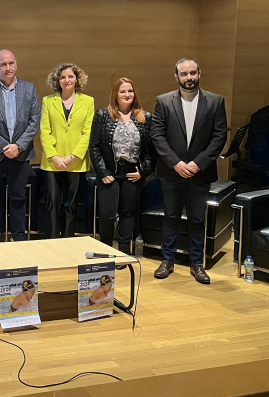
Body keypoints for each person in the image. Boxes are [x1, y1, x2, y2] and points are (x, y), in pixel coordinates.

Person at [151, 58, 227, 285]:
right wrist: (176, 162)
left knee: (197, 219)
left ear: (200, 73)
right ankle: (167, 260)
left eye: (192, 73)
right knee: (170, 217)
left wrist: (198, 162)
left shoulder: (215, 101)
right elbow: (157, 135)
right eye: (184, 74)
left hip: (200, 172)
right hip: (171, 171)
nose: (189, 78)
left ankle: (197, 264)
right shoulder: (163, 101)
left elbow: (219, 136)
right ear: (176, 77)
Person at [0, 50, 41, 243]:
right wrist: (6, 146)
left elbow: (34, 121)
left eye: (11, 63)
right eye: (3, 64)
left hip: (20, 154)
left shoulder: (29, 89)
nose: (8, 67)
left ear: (16, 65)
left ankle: (19, 239)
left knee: (18, 198)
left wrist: (18, 146)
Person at [89, 78, 154, 254]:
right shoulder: (102, 115)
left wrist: (143, 171)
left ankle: (123, 252)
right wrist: (102, 171)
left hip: (133, 173)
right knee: (108, 214)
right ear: (115, 94)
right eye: (123, 91)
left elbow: (150, 151)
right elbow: (94, 146)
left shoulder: (145, 117)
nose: (127, 95)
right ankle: (106, 250)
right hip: (109, 172)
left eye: (130, 91)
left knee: (127, 213)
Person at [40, 63, 94, 239]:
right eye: (62, 77)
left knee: (71, 205)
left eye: (70, 76)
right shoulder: (48, 101)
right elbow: (44, 131)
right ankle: (52, 242)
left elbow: (87, 133)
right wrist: (54, 157)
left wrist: (73, 156)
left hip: (76, 161)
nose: (66, 80)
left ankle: (69, 242)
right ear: (57, 80)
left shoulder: (88, 101)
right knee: (53, 205)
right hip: (52, 161)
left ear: (77, 79)